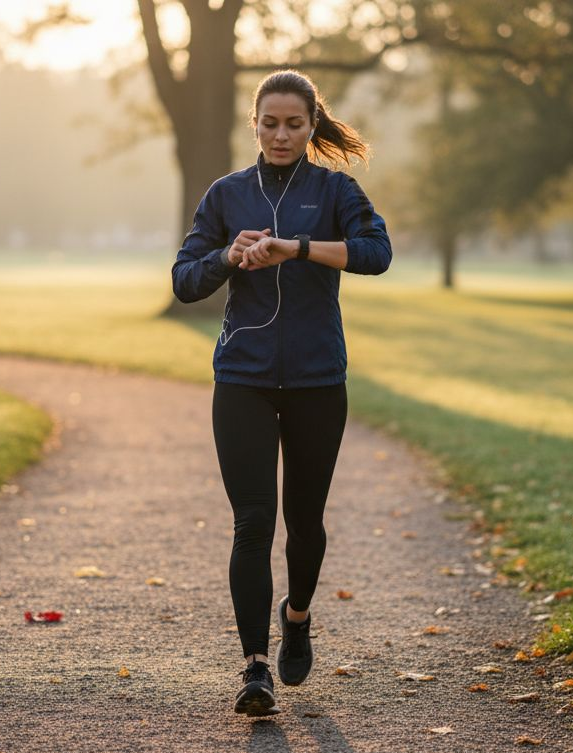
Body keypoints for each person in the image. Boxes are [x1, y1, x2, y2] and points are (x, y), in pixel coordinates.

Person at [171, 69, 391, 716]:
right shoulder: (226, 194)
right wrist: (226, 258)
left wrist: (295, 249)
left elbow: (376, 254)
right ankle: (255, 668)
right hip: (241, 378)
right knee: (252, 523)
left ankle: (296, 616)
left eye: (294, 123)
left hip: (319, 381)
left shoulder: (335, 190)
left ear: (311, 124)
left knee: (305, 523)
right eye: (270, 122)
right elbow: (185, 280)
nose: (281, 134)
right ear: (255, 124)